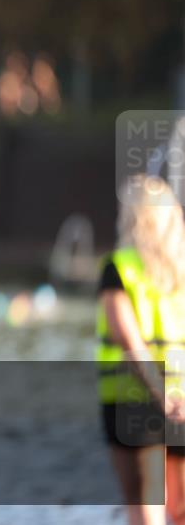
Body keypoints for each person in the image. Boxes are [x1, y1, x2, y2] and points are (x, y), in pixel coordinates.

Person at [98, 175, 185, 525]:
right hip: (182, 396)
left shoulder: (119, 267)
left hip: (134, 397)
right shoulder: (181, 270)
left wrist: (161, 396)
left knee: (144, 500)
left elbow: (130, 341)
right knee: (181, 505)